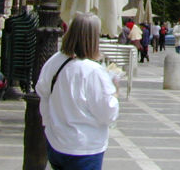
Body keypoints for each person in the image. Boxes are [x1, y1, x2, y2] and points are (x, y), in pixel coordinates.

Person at [35, 12, 119, 170]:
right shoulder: (93, 71)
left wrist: (49, 125)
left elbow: (42, 93)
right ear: (94, 38)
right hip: (84, 148)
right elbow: (107, 113)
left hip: (56, 142)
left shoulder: (55, 61)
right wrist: (115, 93)